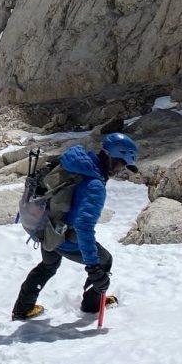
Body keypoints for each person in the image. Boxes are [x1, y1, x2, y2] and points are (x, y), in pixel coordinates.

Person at [11, 132, 139, 321]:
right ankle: (91, 305)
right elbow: (84, 228)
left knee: (48, 265)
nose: (122, 169)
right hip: (62, 235)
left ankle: (23, 308)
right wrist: (94, 267)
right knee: (104, 260)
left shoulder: (78, 162)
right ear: (111, 156)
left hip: (47, 227)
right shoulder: (95, 185)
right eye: (122, 163)